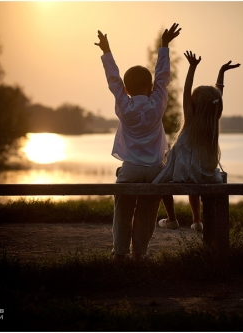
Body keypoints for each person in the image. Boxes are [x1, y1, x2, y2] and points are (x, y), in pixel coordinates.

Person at [94, 23, 181, 261]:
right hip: (154, 169)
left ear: (126, 89)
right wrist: (164, 46)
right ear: (151, 87)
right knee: (147, 212)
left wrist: (106, 51)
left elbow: (113, 80)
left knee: (123, 211)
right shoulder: (157, 105)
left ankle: (120, 253)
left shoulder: (124, 105)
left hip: (130, 167)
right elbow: (163, 78)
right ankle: (140, 253)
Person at [154, 50, 240, 232]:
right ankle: (197, 221)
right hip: (204, 174)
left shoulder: (191, 120)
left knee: (161, 182)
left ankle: (172, 219)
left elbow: (186, 91)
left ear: (194, 105)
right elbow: (218, 96)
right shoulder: (212, 124)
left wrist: (192, 68)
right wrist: (222, 73)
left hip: (184, 173)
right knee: (194, 178)